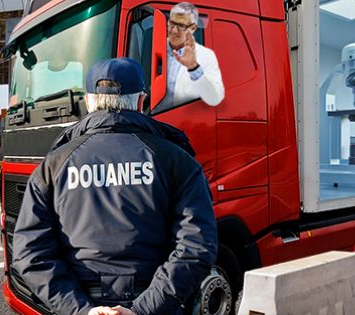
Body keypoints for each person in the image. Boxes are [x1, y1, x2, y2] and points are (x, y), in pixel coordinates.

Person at [12, 57, 217, 315]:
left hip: (80, 301)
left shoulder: (53, 165)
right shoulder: (176, 160)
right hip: (156, 304)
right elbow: (196, 246)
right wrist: (143, 310)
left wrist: (80, 310)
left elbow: (29, 253)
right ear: (141, 101)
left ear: (89, 102)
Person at [159, 2, 224, 109]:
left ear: (193, 28)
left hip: (181, 117)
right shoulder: (153, 46)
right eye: (172, 24)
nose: (174, 31)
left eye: (181, 26)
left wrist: (193, 67)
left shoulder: (206, 56)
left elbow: (214, 98)